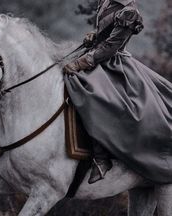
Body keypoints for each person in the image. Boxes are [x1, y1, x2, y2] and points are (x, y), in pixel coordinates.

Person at [63, 0, 172, 184]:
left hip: (113, 63)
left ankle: (101, 157)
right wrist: (94, 35)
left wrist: (80, 63)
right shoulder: (106, 1)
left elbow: (111, 47)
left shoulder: (129, 11)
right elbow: (105, 34)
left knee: (93, 94)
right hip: (97, 55)